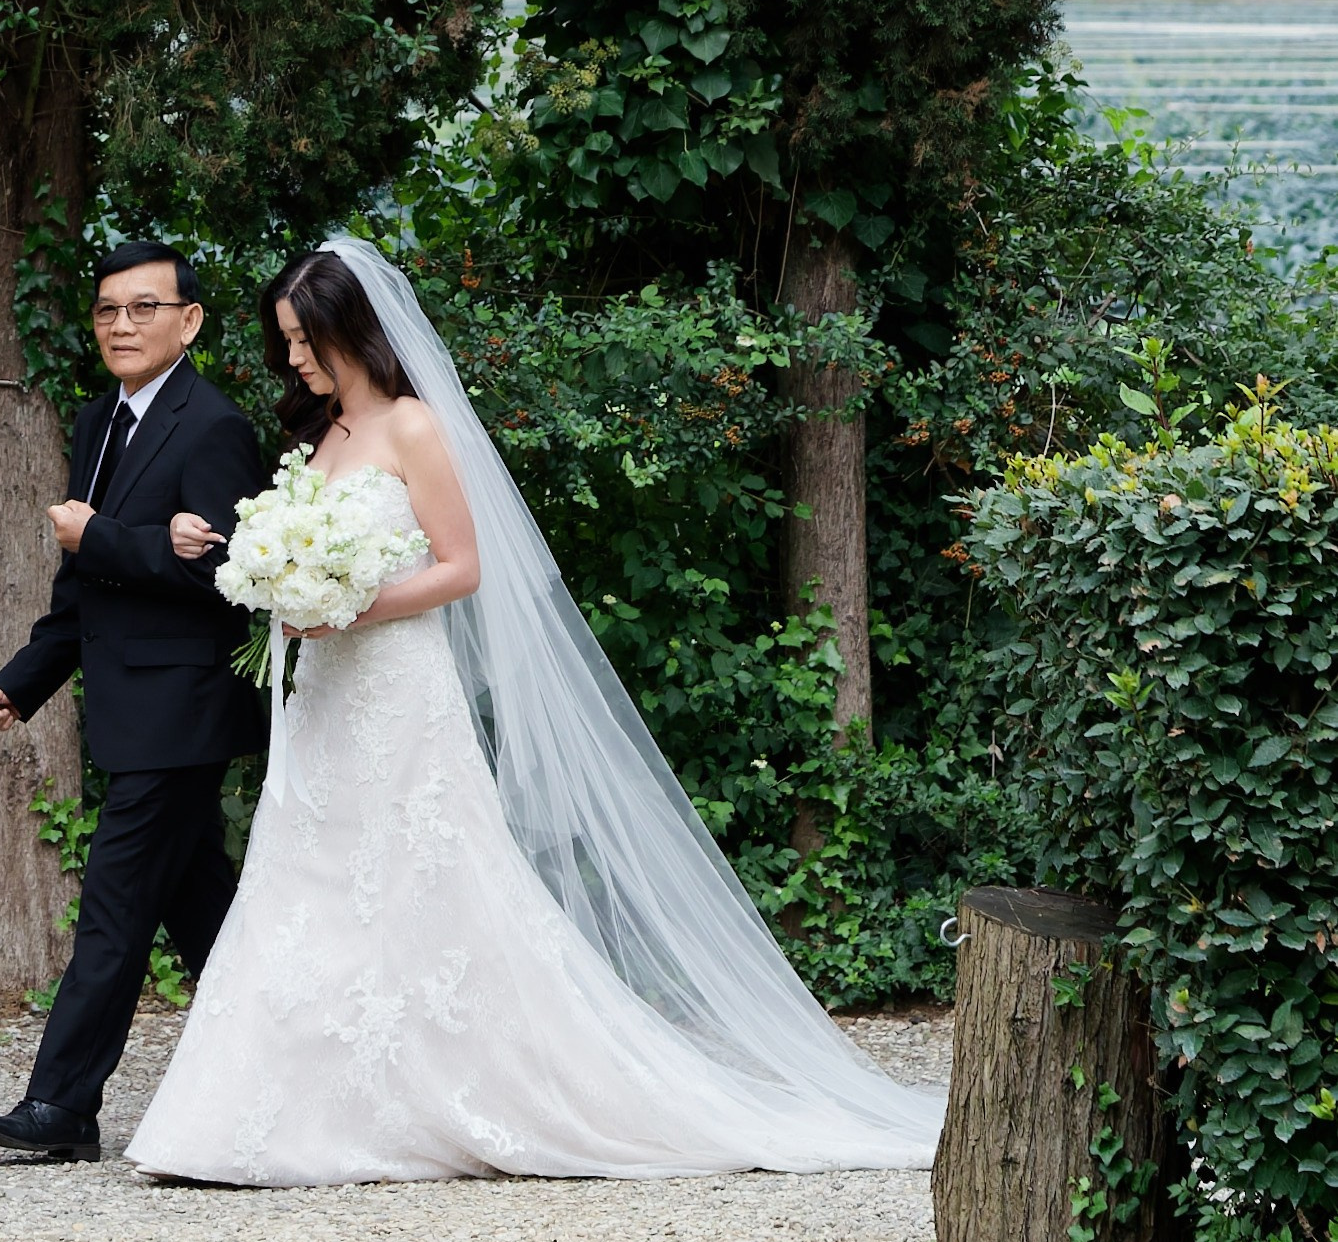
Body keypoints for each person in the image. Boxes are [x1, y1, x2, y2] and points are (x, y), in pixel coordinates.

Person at [124, 237, 947, 1187]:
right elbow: (295, 550)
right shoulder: (319, 439)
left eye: (308, 340)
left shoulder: (414, 428)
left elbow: (461, 567)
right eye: (287, 343)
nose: (296, 359)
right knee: (304, 884)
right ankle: (258, 1121)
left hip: (397, 688)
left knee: (429, 882)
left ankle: (473, 1096)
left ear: (354, 331)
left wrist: (348, 604)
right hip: (326, 700)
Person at [0, 239, 264, 1164]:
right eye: (107, 311)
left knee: (113, 912)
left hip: (185, 714)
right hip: (133, 713)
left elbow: (230, 579)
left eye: (142, 308)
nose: (121, 325)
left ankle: (62, 1107)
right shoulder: (99, 421)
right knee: (208, 916)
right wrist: (24, 679)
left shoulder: (213, 426)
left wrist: (105, 536)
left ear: (190, 321)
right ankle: (285, 1070)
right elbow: (85, 584)